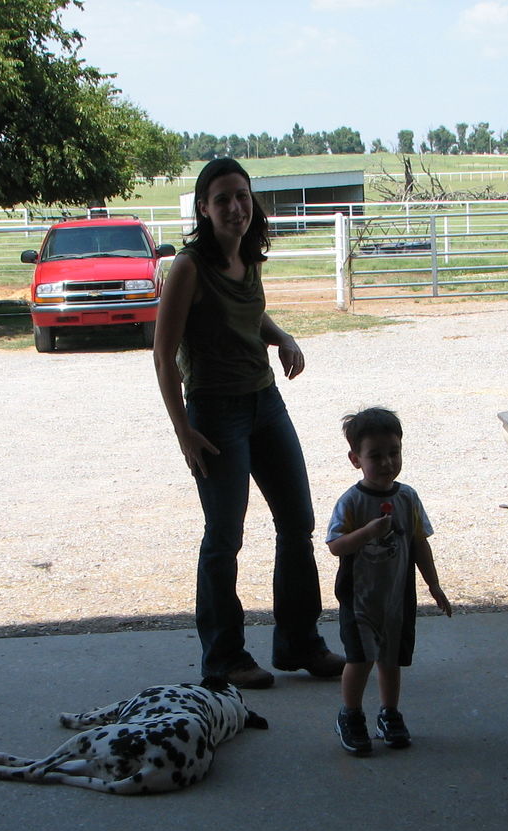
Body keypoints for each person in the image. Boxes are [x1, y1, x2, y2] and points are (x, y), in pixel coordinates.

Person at [153, 158, 344, 690]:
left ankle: (301, 643)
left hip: (266, 404)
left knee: (297, 522)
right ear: (203, 208)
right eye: (222, 199)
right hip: (215, 414)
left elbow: (248, 314)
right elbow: (163, 355)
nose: (235, 207)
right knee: (224, 537)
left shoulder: (250, 257)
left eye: (242, 196)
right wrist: (183, 431)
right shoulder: (189, 267)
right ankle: (226, 657)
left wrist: (282, 336)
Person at [325, 407, 452, 756]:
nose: (386, 463)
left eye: (393, 453)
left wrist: (434, 585)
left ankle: (389, 713)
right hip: (360, 599)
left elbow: (418, 542)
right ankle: (349, 715)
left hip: (397, 597)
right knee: (361, 658)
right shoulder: (351, 502)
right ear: (355, 459)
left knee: (391, 659)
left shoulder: (407, 497)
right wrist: (366, 532)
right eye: (375, 456)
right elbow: (335, 546)